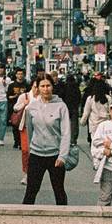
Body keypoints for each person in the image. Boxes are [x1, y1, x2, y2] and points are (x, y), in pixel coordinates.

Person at [22, 76, 72, 206]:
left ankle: (64, 219)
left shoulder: (61, 106)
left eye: (48, 86)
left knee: (59, 191)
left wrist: (63, 156)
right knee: (31, 191)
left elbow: (66, 133)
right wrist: (31, 149)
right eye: (42, 86)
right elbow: (30, 131)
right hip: (36, 154)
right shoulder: (31, 107)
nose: (45, 89)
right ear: (37, 88)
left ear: (52, 87)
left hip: (55, 156)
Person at [6, 68, 30, 153]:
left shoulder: (27, 85)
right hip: (14, 107)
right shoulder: (12, 85)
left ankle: (21, 142)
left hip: (24, 108)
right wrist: (16, 96)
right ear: (16, 75)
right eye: (18, 74)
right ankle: (16, 141)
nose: (20, 75)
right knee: (15, 124)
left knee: (23, 125)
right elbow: (8, 97)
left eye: (21, 74)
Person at [82, 77, 111, 144]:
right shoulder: (108, 98)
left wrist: (83, 122)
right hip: (106, 123)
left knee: (95, 143)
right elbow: (110, 111)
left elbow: (86, 112)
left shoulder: (90, 98)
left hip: (94, 124)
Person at [57, 71, 81, 145]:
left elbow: (62, 95)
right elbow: (79, 97)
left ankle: (65, 138)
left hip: (66, 107)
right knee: (74, 124)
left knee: (65, 123)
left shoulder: (65, 86)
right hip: (74, 108)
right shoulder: (76, 87)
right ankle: (73, 139)